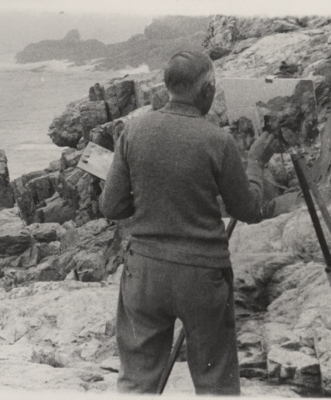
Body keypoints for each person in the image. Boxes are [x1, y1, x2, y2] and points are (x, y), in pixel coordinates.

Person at [99, 51, 276, 395]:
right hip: (201, 277)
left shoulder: (133, 130)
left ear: (168, 87)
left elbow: (112, 206)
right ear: (207, 90)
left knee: (136, 381)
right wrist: (255, 163)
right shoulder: (217, 140)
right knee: (215, 382)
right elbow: (250, 210)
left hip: (144, 273)